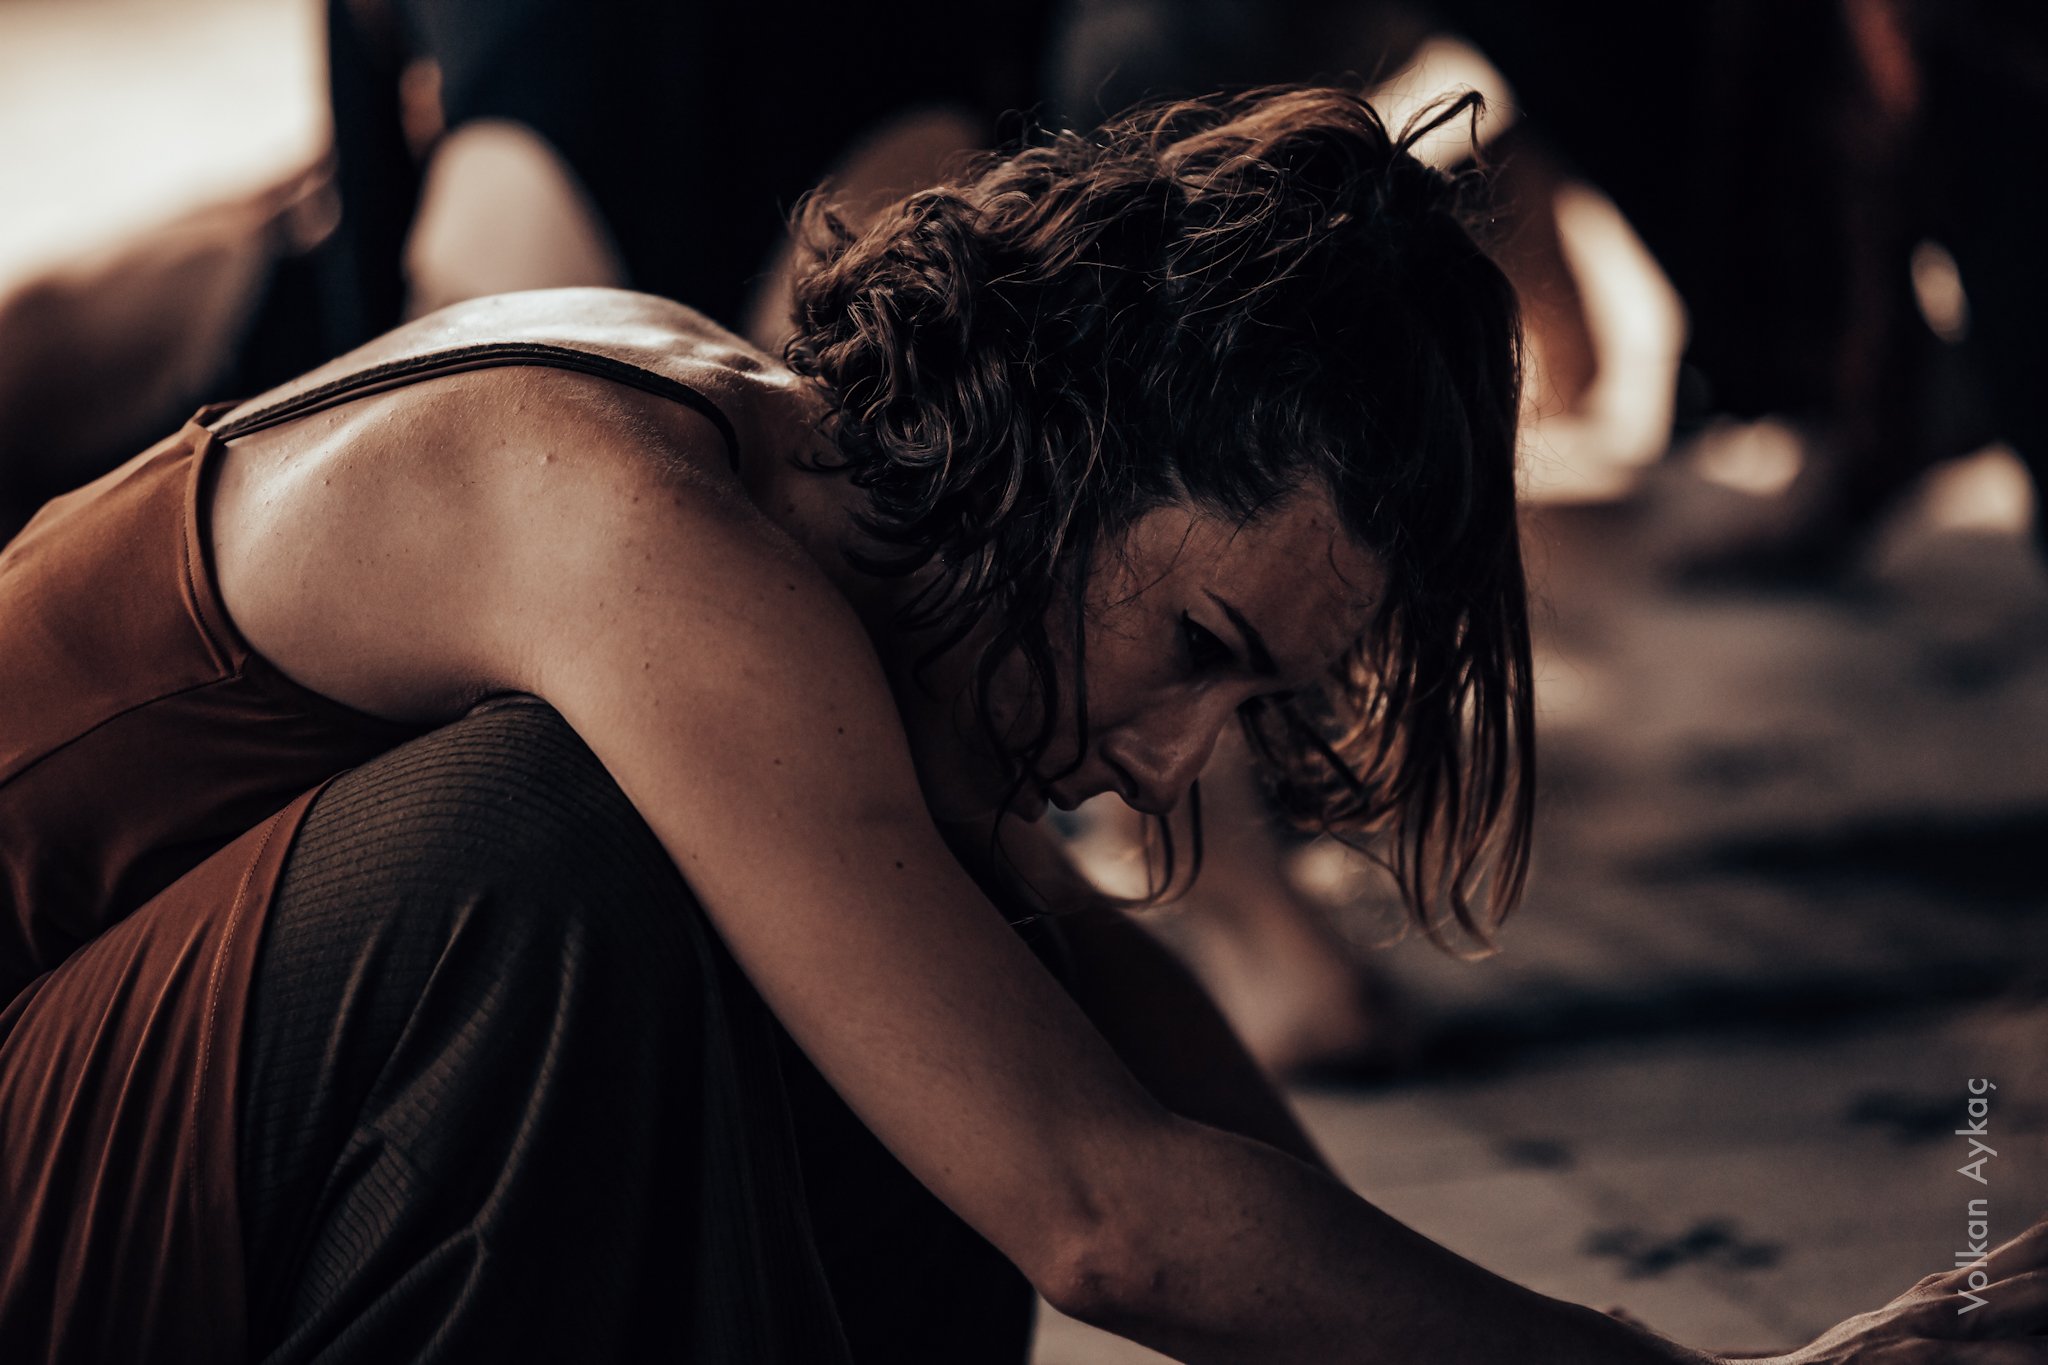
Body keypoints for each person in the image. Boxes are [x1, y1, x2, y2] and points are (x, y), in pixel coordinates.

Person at [2, 87, 2042, 1364]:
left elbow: (1137, 1094)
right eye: (1201, 646)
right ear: (1064, 461)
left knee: (932, 1022)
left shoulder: (821, 556)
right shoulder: (619, 516)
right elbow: (1106, 1215)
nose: (1169, 758)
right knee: (553, 853)